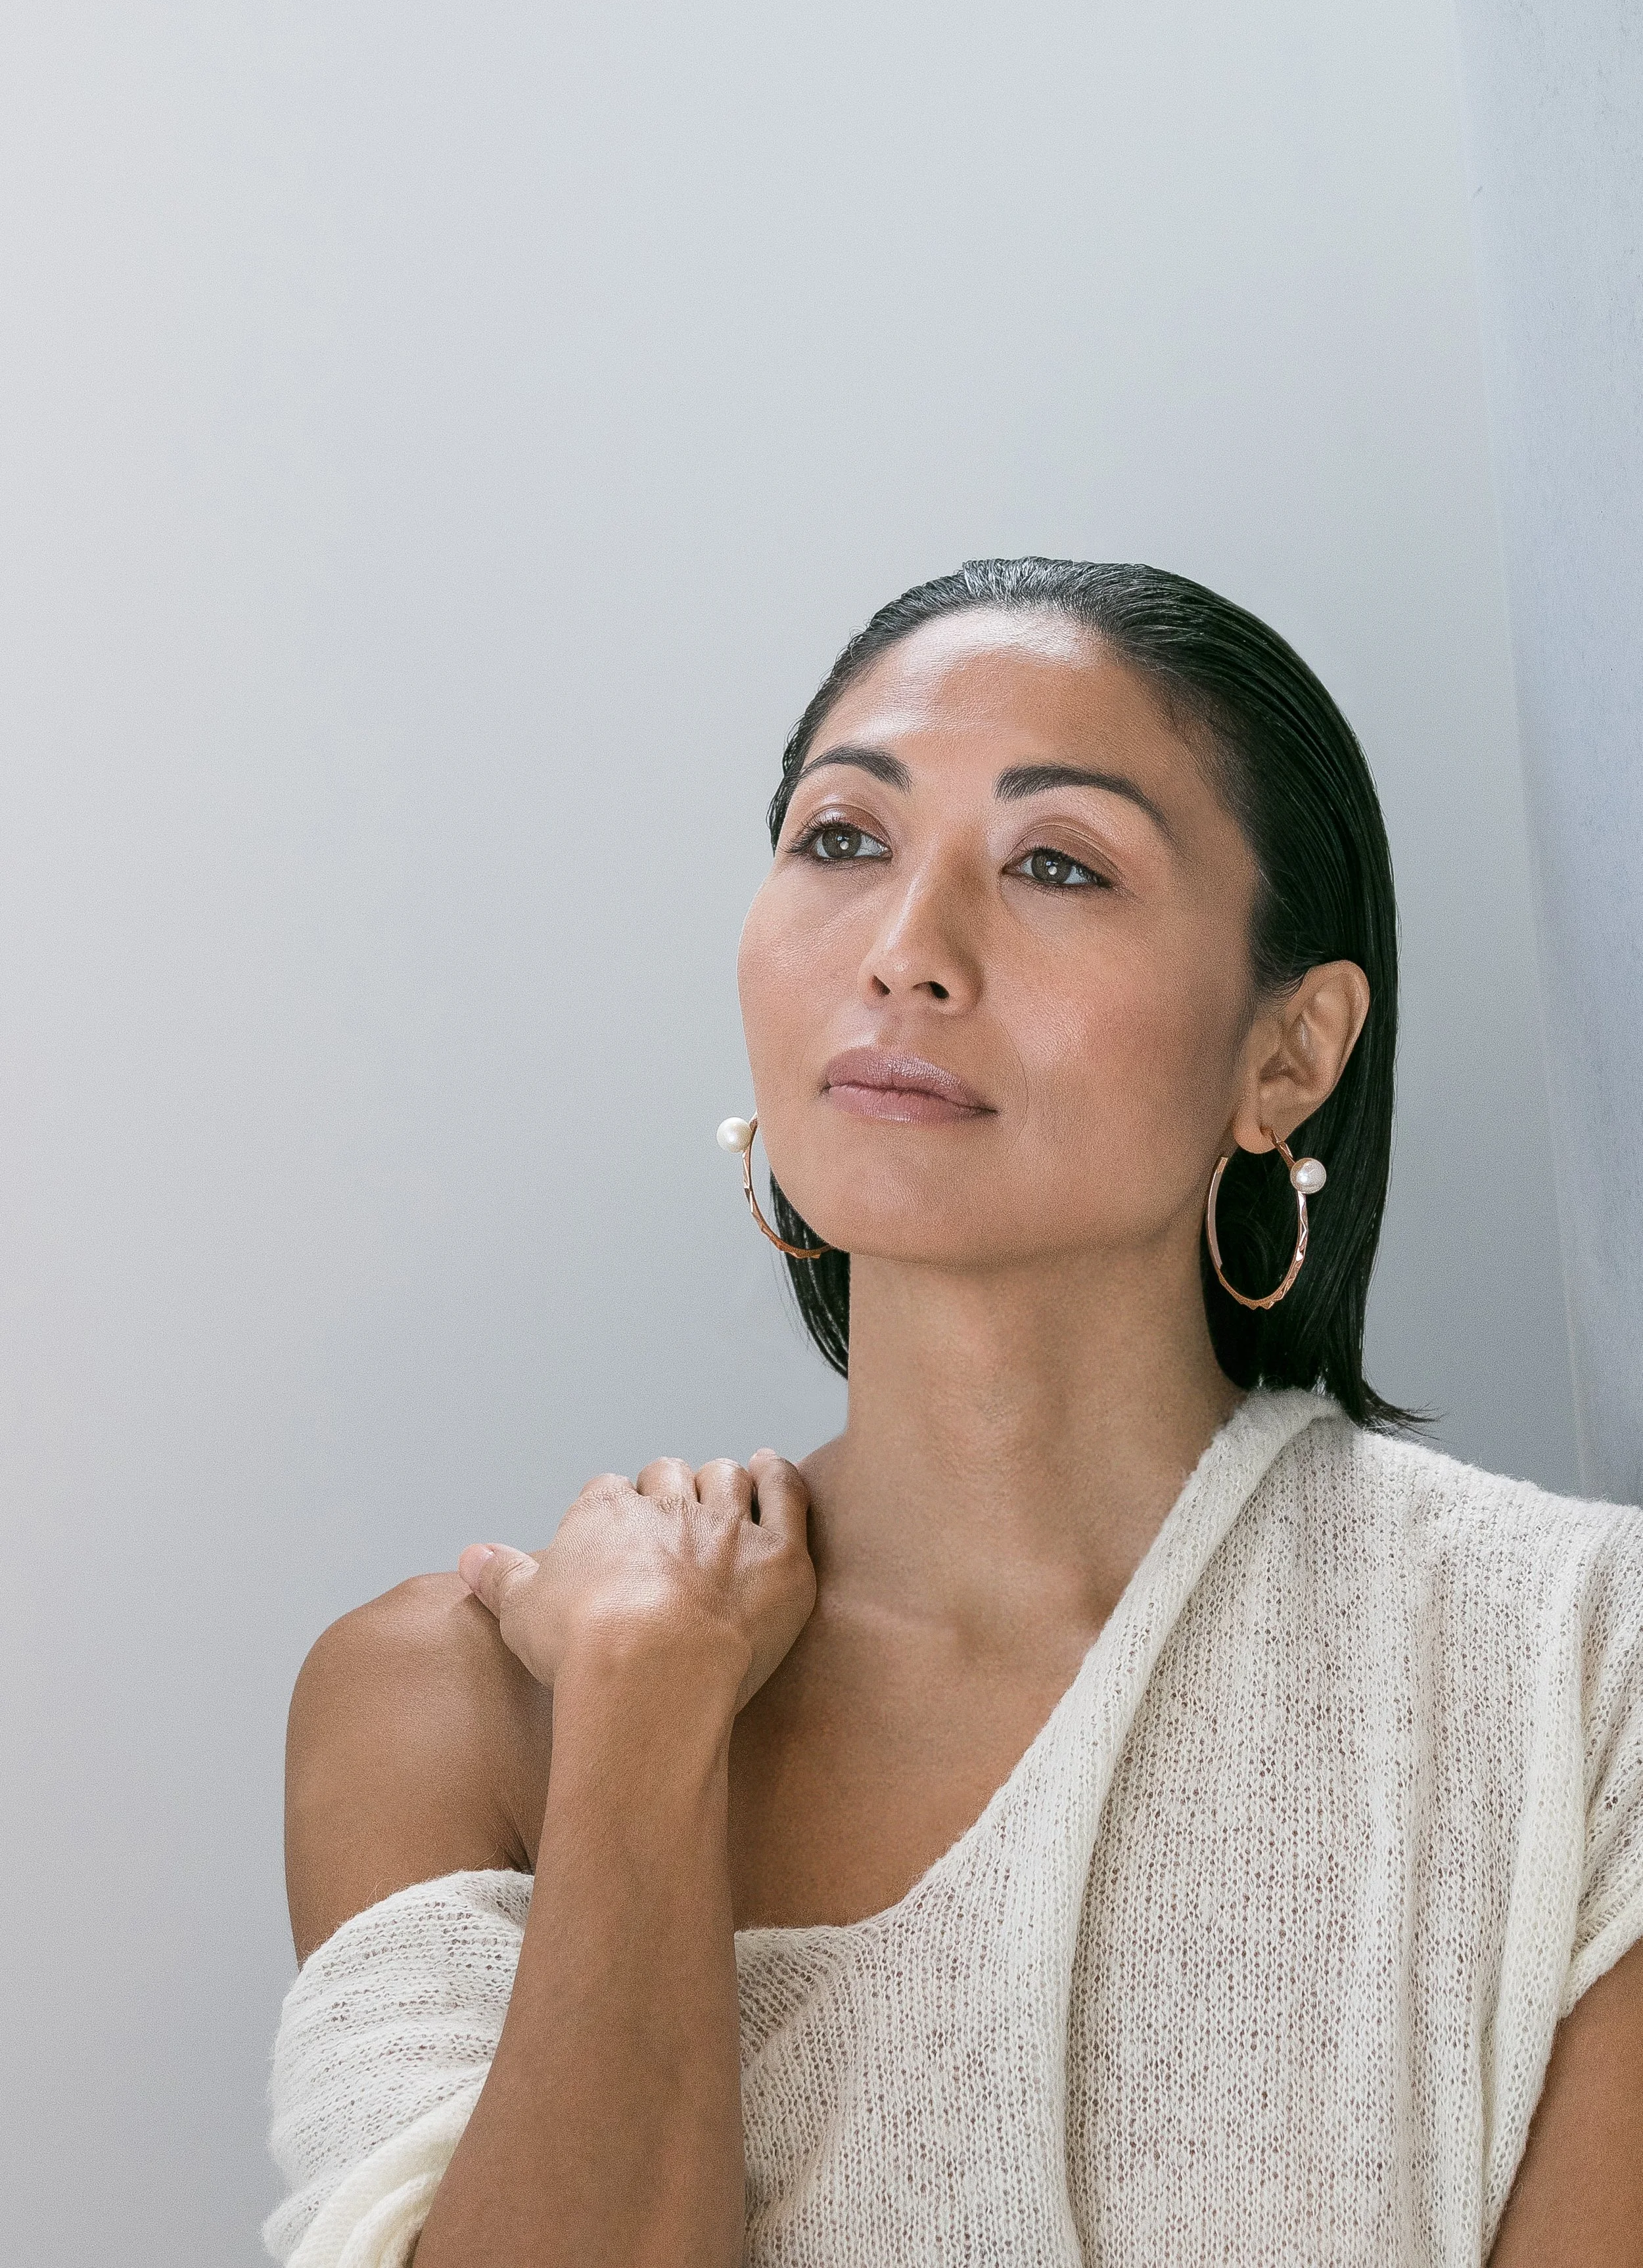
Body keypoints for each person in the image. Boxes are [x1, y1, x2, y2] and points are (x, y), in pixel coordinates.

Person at [266, 560, 1643, 2268]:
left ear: (1289, 1051)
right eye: (842, 838)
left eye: (1056, 862)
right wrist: (640, 1714)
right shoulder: (469, 1698)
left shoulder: (1583, 1664)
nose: (906, 952)